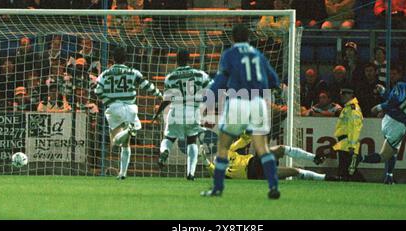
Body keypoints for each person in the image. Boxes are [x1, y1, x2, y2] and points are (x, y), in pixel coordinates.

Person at [200, 24, 282, 199]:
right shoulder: (258, 55)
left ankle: (217, 188)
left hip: (239, 102)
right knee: (262, 148)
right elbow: (274, 80)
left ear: (232, 38)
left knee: (223, 147)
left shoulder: (230, 54)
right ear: (248, 37)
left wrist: (207, 101)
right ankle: (273, 186)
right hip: (258, 103)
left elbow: (221, 80)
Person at [94, 46, 162, 180]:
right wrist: (160, 94)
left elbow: (97, 91)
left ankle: (128, 132)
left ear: (113, 59)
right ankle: (122, 173)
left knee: (115, 141)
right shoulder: (133, 72)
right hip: (131, 108)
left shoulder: (106, 73)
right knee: (126, 144)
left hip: (114, 108)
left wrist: (108, 100)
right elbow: (147, 86)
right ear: (126, 59)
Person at [356, 67, 406, 184]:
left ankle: (389, 176)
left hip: (388, 119)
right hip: (398, 125)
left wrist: (383, 93)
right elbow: (398, 101)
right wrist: (380, 107)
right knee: (384, 155)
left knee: (393, 151)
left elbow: (396, 99)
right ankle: (359, 159)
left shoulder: (403, 85)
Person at [154, 49, 211, 180]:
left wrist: (157, 113)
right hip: (193, 111)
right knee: (192, 141)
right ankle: (190, 173)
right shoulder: (199, 74)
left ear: (176, 60)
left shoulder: (170, 77)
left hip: (176, 111)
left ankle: (165, 152)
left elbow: (167, 99)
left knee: (168, 139)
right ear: (189, 59)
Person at [206, 133, 328, 180]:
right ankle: (323, 177)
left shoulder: (229, 151)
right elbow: (212, 170)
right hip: (254, 174)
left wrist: (245, 131)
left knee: (281, 151)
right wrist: (204, 160)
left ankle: (316, 162)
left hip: (255, 162)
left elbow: (245, 140)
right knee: (293, 171)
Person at [330, 84, 364, 181]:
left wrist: (352, 146)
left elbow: (355, 128)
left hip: (347, 141)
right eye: (342, 94)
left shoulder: (353, 109)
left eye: (346, 94)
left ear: (352, 95)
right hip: (345, 140)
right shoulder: (348, 108)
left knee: (348, 170)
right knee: (346, 169)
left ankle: (362, 183)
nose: (342, 96)